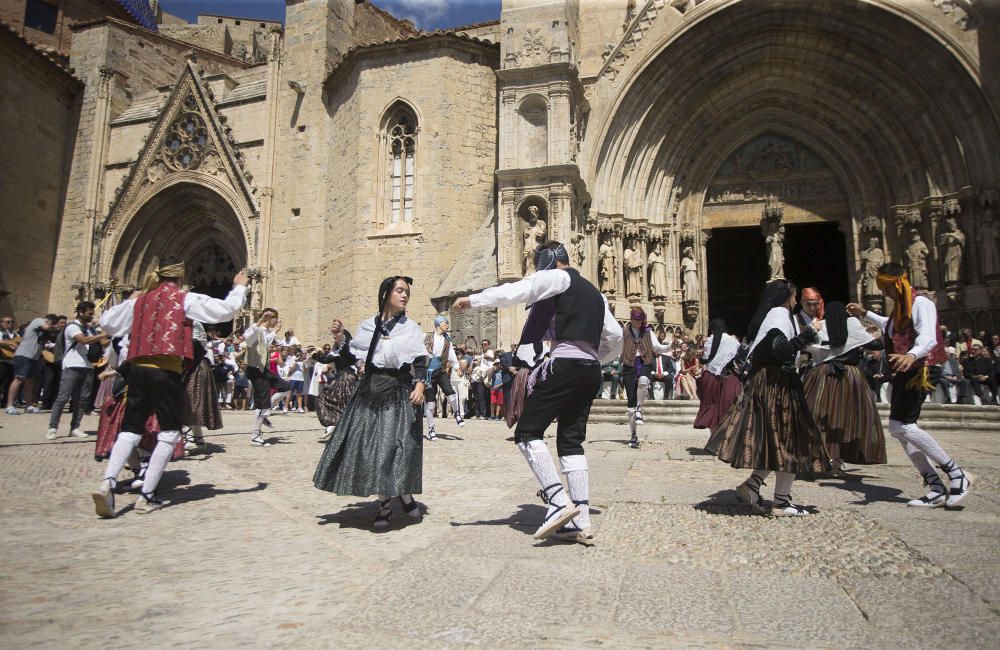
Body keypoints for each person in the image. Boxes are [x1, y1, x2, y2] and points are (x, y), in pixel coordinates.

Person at [453, 241, 623, 544]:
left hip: (567, 364)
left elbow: (518, 290)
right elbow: (616, 335)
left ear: (549, 261)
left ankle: (558, 500)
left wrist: (473, 299)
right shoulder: (596, 294)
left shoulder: (559, 278)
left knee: (528, 431)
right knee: (571, 441)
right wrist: (596, 358)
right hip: (591, 369)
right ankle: (581, 520)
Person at [91, 258, 247, 516]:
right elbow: (226, 310)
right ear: (179, 277)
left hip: (138, 370)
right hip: (166, 370)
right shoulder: (184, 299)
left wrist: (133, 299)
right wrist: (239, 287)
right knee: (170, 431)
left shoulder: (139, 300)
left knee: (131, 428)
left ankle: (107, 482)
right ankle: (147, 494)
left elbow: (107, 322)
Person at [847, 262, 972, 508]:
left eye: (886, 287)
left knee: (904, 426)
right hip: (907, 369)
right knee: (898, 427)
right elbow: (889, 327)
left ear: (898, 282)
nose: (884, 293)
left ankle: (956, 474)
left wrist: (912, 355)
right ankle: (935, 486)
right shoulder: (901, 308)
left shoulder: (921, 303)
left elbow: (928, 336)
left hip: (921, 369)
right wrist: (864, 313)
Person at [706, 280, 829, 516]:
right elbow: (779, 349)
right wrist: (809, 334)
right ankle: (780, 500)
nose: (795, 302)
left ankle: (754, 487)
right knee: (790, 440)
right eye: (794, 297)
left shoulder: (776, 316)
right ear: (786, 297)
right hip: (777, 384)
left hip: (776, 382)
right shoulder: (780, 315)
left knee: (784, 441)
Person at [313, 276, 428, 528]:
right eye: (399, 290)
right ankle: (386, 503)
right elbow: (348, 359)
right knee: (369, 448)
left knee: (393, 448)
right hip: (369, 392)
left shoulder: (410, 328)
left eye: (407, 292)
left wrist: (420, 384)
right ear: (386, 293)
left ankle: (404, 495)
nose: (404, 295)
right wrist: (340, 338)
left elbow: (420, 360)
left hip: (397, 392)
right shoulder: (368, 326)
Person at [803, 302, 887, 473]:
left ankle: (817, 459)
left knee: (819, 418)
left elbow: (805, 346)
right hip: (851, 377)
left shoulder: (821, 327)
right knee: (847, 419)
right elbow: (877, 346)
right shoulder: (853, 325)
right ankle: (837, 462)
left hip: (822, 376)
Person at [47, 302, 108, 439]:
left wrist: (111, 334)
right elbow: (84, 340)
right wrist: (101, 335)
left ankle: (75, 427)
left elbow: (103, 343)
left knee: (82, 399)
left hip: (88, 366)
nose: (91, 316)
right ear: (80, 312)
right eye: (89, 314)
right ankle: (52, 427)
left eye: (92, 314)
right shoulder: (72, 327)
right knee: (63, 397)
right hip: (72, 365)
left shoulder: (90, 329)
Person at [619, 307, 671, 446]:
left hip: (644, 362)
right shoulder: (624, 332)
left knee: (643, 381)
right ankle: (633, 435)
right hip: (629, 365)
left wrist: (671, 346)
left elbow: (658, 348)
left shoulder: (648, 332)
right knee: (630, 406)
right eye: (636, 321)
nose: (638, 323)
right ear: (631, 320)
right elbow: (614, 346)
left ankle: (639, 409)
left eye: (640, 321)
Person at [244, 309, 293, 446]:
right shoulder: (256, 328)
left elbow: (265, 342)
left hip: (263, 369)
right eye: (275, 318)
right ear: (269, 318)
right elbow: (248, 339)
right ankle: (255, 435)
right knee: (262, 400)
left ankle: (265, 413)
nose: (277, 321)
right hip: (255, 369)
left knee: (286, 387)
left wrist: (275, 331)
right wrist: (260, 321)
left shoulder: (265, 332)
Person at [693, 318, 742, 436]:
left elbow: (706, 359)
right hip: (729, 377)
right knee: (726, 407)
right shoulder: (734, 341)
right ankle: (725, 438)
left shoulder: (710, 340)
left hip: (710, 378)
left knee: (711, 407)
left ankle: (713, 437)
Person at [180, 322, 223, 455]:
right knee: (190, 403)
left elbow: (196, 346)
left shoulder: (193, 324)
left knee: (190, 402)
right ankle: (198, 440)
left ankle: (188, 440)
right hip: (191, 366)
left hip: (194, 366)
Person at [314, 319, 359, 443]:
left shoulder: (347, 348)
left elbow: (346, 346)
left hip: (347, 379)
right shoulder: (336, 351)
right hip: (340, 378)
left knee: (339, 403)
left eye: (336, 336)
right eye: (334, 337)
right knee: (328, 401)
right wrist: (315, 353)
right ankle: (333, 426)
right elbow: (326, 359)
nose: (334, 339)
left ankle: (338, 429)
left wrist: (341, 334)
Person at [423, 314, 464, 440]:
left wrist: (456, 366)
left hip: (440, 371)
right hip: (429, 373)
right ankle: (431, 429)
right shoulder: (427, 336)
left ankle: (457, 413)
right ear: (439, 324)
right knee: (430, 403)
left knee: (451, 393)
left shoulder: (447, 339)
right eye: (445, 323)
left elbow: (451, 354)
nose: (447, 325)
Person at [4, 313, 54, 415]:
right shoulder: (39, 320)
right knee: (19, 378)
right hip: (24, 355)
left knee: (30, 382)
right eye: (51, 322)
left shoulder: (42, 333)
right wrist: (53, 326)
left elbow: (42, 344)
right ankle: (9, 405)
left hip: (33, 357)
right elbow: (46, 326)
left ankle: (29, 406)